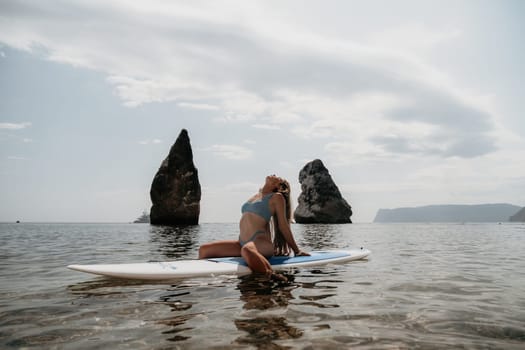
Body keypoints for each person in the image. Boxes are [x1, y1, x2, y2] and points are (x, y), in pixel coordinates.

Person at [199, 175, 309, 280]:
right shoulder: (256, 195)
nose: (274, 174)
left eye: (277, 177)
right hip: (241, 242)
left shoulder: (277, 197)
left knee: (246, 250)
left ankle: (271, 275)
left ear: (278, 186)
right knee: (204, 250)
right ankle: (200, 279)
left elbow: (283, 226)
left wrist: (297, 250)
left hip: (260, 241)